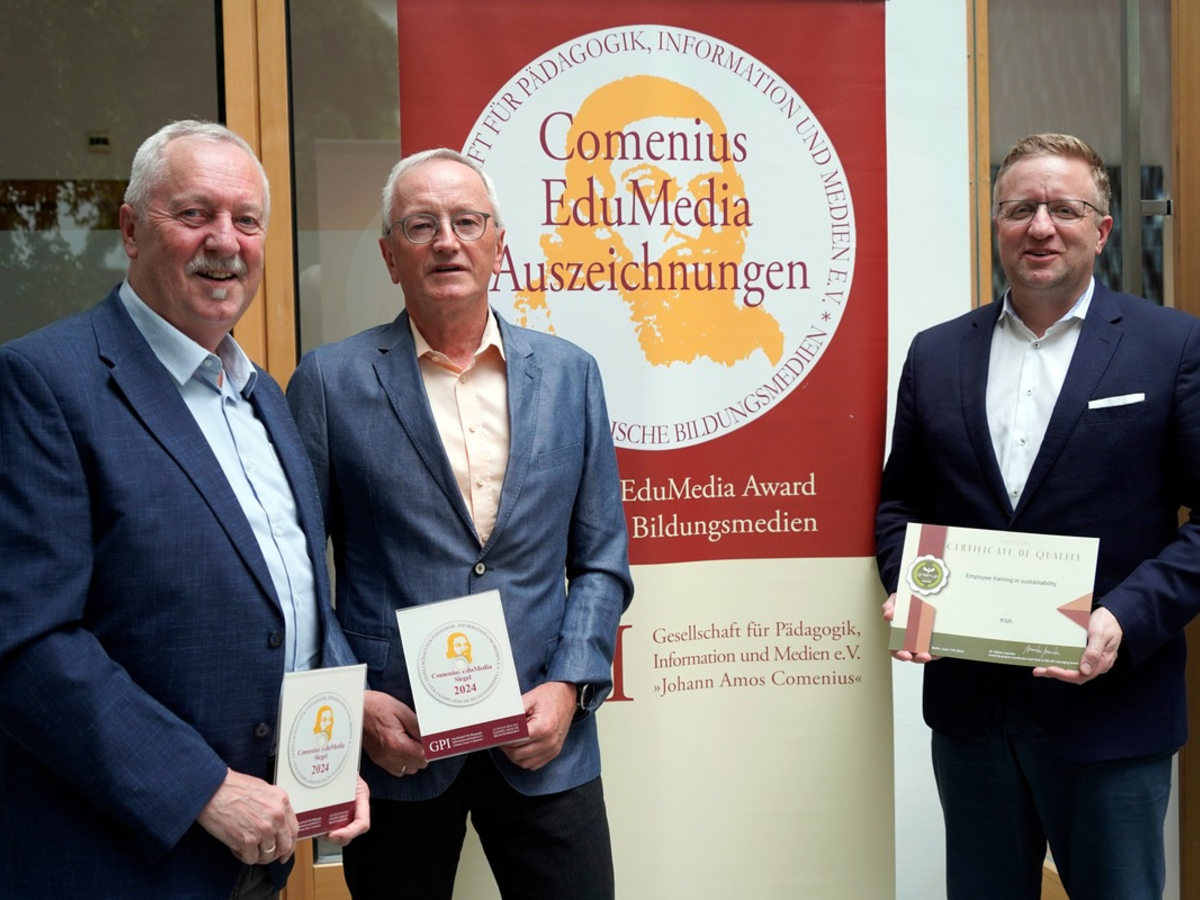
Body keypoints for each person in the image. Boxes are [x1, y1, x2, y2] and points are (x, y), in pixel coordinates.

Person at [0, 120, 368, 899]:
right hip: (120, 861)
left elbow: (296, 596)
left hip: (257, 856)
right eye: (195, 213)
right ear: (132, 229)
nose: (225, 241)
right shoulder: (43, 383)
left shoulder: (265, 397)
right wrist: (203, 788)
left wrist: (332, 757)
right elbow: (28, 642)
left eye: (246, 220)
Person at [287, 147, 633, 899]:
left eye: (467, 222)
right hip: (397, 738)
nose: (446, 241)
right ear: (390, 256)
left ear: (498, 243)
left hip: (544, 736)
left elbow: (602, 557)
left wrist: (570, 685)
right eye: (420, 225)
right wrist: (353, 701)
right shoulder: (329, 382)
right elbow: (296, 566)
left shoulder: (571, 374)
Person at [875, 132, 1200, 899]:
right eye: (1020, 209)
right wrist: (914, 588)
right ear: (997, 224)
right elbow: (900, 505)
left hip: (1111, 710)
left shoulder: (1170, 345)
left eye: (1064, 209)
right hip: (971, 716)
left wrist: (1124, 618)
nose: (1041, 227)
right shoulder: (935, 354)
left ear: (1102, 229)